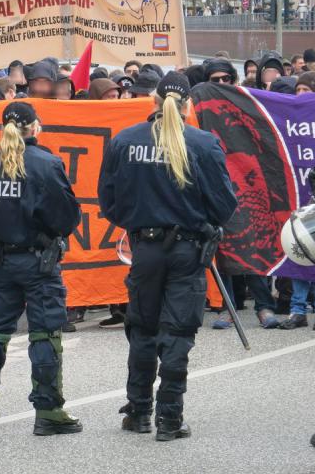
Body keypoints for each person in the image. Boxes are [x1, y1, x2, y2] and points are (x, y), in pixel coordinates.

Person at [98, 72, 238, 441]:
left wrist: (139, 222)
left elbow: (108, 202)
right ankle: (170, 419)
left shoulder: (125, 141)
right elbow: (225, 204)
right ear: (189, 105)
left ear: (153, 101)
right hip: (187, 250)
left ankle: (140, 412)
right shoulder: (203, 143)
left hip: (145, 248)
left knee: (143, 327)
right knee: (177, 332)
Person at [0, 102, 82, 435]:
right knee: (45, 332)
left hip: (1, 260)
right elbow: (67, 216)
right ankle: (49, 411)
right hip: (38, 261)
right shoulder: (47, 163)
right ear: (35, 127)